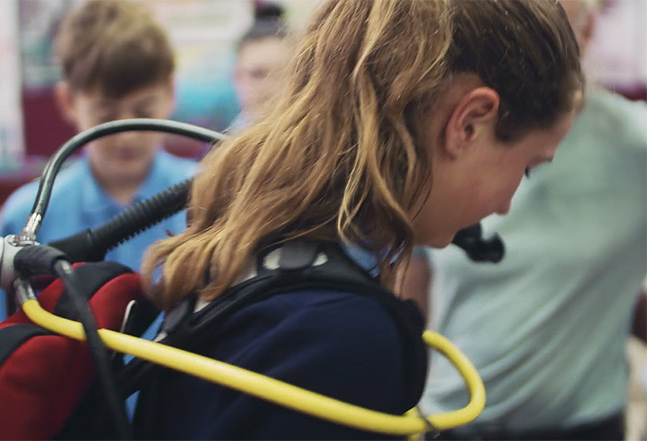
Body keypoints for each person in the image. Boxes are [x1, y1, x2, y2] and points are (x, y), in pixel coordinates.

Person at [132, 0, 584, 438]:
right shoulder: (346, 337)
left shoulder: (248, 247)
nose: (507, 205)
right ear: (469, 123)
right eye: (526, 167)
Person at [401, 0, 647, 439]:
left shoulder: (634, 147)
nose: (526, 52)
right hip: (453, 420)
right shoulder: (449, 134)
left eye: (553, 30)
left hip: (579, 426)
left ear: (586, 36)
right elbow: (411, 278)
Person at [0, 0, 197, 322]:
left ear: (171, 92)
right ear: (68, 101)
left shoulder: (211, 197)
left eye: (143, 112)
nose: (127, 134)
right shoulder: (27, 217)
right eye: (106, 116)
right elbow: (0, 336)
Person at [228, 2, 294, 132]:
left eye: (285, 73)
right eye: (258, 74)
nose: (272, 87)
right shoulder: (224, 144)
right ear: (237, 76)